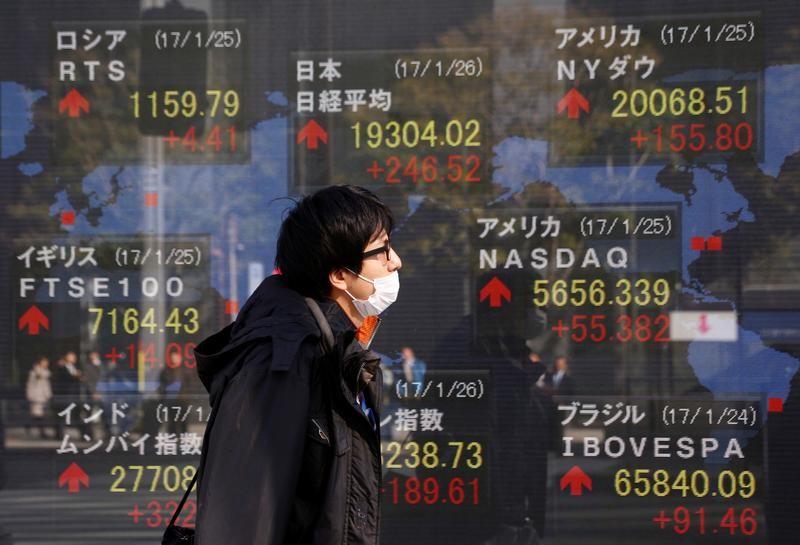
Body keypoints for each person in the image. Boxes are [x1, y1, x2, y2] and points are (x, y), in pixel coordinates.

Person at [194, 185, 401, 545]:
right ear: (339, 275)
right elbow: (244, 513)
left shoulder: (332, 348)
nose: (395, 260)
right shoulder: (283, 357)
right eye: (382, 251)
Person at [25, 356, 52, 438]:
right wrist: (29, 396)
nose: (46, 364)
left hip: (43, 396)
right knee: (39, 414)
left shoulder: (45, 371)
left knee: (38, 415)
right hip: (36, 396)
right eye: (44, 362)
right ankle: (42, 432)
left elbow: (46, 384)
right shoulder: (34, 372)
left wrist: (49, 394)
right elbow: (31, 384)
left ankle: (28, 425)